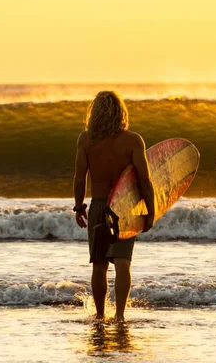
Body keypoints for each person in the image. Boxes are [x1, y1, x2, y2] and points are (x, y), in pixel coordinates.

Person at [73, 90, 155, 322]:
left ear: (95, 113)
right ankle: (119, 316)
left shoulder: (86, 139)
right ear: (121, 112)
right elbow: (144, 180)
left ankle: (100, 315)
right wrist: (150, 210)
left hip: (99, 206)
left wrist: (79, 207)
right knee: (122, 264)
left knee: (99, 266)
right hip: (124, 208)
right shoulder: (133, 140)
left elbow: (80, 178)